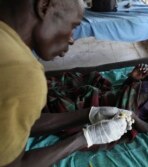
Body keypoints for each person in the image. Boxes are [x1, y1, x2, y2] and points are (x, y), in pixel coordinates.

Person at [0, 0, 134, 166]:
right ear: (44, 7)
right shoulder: (22, 73)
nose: (71, 40)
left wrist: (88, 114)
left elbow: (18, 124)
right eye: (73, 26)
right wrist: (86, 138)